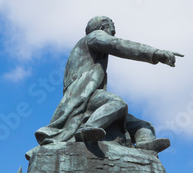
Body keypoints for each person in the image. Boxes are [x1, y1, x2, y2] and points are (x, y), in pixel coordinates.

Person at [34, 16, 181, 153]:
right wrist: (155, 53)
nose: (114, 33)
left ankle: (145, 144)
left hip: (92, 98)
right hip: (85, 97)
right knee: (117, 103)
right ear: (102, 28)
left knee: (142, 125)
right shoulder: (94, 36)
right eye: (112, 28)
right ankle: (88, 129)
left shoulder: (90, 47)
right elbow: (119, 45)